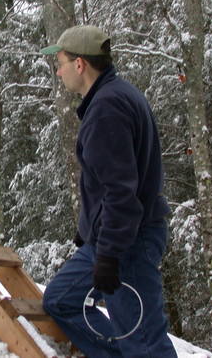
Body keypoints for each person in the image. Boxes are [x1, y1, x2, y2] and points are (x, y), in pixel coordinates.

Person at [40, 25, 177, 357]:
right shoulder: (116, 95)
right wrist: (89, 230)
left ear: (80, 65)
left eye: (59, 62)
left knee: (144, 342)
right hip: (109, 237)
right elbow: (109, 185)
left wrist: (110, 255)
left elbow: (120, 192)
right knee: (61, 300)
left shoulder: (107, 108)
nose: (57, 72)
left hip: (127, 242)